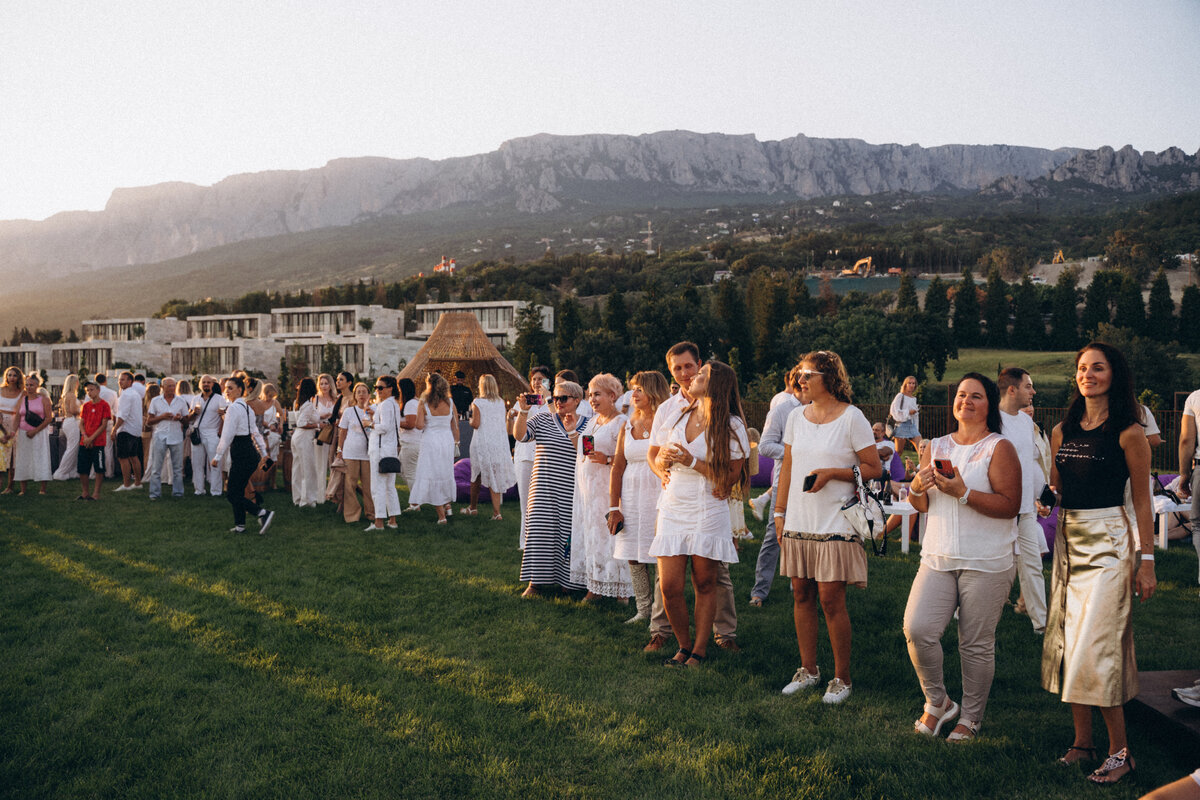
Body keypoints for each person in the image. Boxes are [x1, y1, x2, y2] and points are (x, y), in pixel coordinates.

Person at [1040, 342, 1155, 786]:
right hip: (1069, 542)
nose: (1088, 374)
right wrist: (1046, 501)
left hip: (1109, 544)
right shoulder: (1062, 430)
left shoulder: (1129, 432)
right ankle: (1082, 743)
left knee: (1099, 644)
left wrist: (1147, 561)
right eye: (1082, 368)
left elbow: (1142, 502)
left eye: (1098, 368)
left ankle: (1120, 753)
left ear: (1114, 375)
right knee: (1071, 641)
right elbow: (1056, 486)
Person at [904, 373, 1020, 741]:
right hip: (937, 556)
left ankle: (971, 717)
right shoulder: (935, 446)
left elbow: (1010, 505)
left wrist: (964, 493)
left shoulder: (999, 447)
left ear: (989, 404)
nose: (966, 401)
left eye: (976, 396)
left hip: (986, 561)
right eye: (961, 394)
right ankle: (938, 702)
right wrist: (916, 487)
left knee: (975, 643)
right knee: (917, 629)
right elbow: (922, 504)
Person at [773, 350, 882, 703]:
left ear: (829, 379)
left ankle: (842, 679)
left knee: (831, 599)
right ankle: (808, 670)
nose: (801, 380)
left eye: (808, 375)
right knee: (801, 594)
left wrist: (833, 473)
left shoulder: (852, 418)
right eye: (800, 374)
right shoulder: (795, 417)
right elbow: (788, 467)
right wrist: (779, 512)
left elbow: (874, 468)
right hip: (799, 519)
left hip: (836, 519)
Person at [651, 360, 748, 667]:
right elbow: (657, 454)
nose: (693, 376)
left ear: (716, 384)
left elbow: (730, 477)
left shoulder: (731, 425)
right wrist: (663, 462)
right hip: (674, 504)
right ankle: (683, 645)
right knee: (669, 586)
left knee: (705, 582)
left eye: (701, 374)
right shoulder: (678, 414)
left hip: (708, 505)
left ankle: (699, 650)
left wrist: (691, 461)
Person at [514, 379, 588, 596]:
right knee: (539, 532)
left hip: (571, 491)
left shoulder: (589, 423)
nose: (558, 402)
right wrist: (523, 412)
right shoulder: (542, 419)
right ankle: (535, 582)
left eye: (563, 398)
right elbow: (520, 436)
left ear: (577, 400)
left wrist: (572, 432)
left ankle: (568, 581)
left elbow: (589, 453)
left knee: (567, 534)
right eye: (555, 398)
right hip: (542, 490)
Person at [609, 370, 670, 623]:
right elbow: (617, 467)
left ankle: (661, 608)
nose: (633, 394)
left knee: (660, 554)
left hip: (659, 492)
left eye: (639, 389)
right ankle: (643, 609)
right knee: (633, 552)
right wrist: (614, 507)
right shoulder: (627, 424)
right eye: (632, 389)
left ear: (654, 392)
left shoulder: (666, 423)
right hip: (631, 494)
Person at [571, 373, 632, 602]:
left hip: (608, 490)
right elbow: (585, 452)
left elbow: (628, 458)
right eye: (590, 395)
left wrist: (607, 460)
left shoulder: (622, 422)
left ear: (612, 396)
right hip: (590, 491)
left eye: (597, 394)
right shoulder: (593, 422)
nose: (592, 399)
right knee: (594, 537)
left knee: (612, 536)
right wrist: (572, 432)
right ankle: (596, 585)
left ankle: (621, 590)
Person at [997, 367, 1047, 634]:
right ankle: (963, 612)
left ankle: (1041, 624)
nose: (1033, 391)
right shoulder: (992, 420)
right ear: (1012, 389)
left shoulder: (1027, 423)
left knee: (1033, 565)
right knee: (989, 564)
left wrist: (1041, 496)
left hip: (1027, 509)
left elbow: (1031, 465)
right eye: (1028, 386)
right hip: (999, 509)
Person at [750, 367, 804, 606]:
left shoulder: (819, 409)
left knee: (805, 534)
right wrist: (794, 453)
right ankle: (759, 591)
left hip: (813, 481)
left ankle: (798, 586)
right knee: (774, 535)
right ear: (797, 381)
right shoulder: (781, 410)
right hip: (785, 481)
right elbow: (764, 446)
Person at [211, 376, 275, 535]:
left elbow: (227, 435)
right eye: (226, 388)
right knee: (237, 491)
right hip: (249, 452)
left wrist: (217, 456)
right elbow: (255, 433)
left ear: (240, 390)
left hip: (241, 452)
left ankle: (262, 513)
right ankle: (240, 525)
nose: (227, 391)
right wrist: (263, 453)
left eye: (230, 388)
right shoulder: (246, 408)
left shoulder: (234, 408)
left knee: (232, 493)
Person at [408, 372, 459, 523]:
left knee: (433, 474)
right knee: (444, 472)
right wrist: (456, 443)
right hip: (447, 441)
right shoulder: (450, 402)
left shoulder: (423, 403)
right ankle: (447, 505)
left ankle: (441, 516)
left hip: (430, 441)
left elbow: (419, 425)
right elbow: (455, 426)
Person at [510, 365, 552, 546]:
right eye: (534, 379)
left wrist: (548, 398)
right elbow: (513, 431)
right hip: (525, 455)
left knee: (545, 502)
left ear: (548, 381)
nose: (536, 382)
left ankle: (544, 540)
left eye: (540, 379)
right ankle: (525, 542)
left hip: (546, 457)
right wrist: (513, 415)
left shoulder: (553, 402)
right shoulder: (524, 401)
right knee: (526, 501)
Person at [467, 374, 516, 520]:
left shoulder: (478, 402)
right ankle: (496, 512)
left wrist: (470, 420)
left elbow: (476, 424)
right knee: (496, 473)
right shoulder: (500, 402)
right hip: (497, 442)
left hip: (481, 442)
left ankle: (473, 507)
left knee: (476, 474)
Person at [366, 375, 403, 530]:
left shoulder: (386, 404)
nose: (378, 390)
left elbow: (385, 427)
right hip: (390, 448)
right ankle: (392, 520)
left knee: (378, 486)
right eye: (376, 388)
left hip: (381, 449)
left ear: (390, 389)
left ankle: (379, 521)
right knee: (389, 486)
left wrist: (370, 424)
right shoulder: (393, 404)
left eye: (380, 388)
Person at [336, 381, 376, 524]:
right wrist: (339, 451)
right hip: (350, 452)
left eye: (364, 392)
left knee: (369, 485)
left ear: (369, 394)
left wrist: (373, 416)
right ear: (355, 395)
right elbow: (342, 432)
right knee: (350, 484)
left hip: (368, 453)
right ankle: (352, 515)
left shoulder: (374, 410)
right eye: (358, 392)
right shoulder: (349, 411)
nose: (361, 395)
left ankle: (371, 513)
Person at [145, 376, 189, 499]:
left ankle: (178, 493)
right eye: (169, 386)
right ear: (163, 387)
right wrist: (162, 417)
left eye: (173, 386)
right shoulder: (155, 401)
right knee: (156, 467)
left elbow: (186, 421)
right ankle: (154, 494)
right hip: (160, 436)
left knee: (177, 468)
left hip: (176, 436)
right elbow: (149, 421)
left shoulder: (181, 401)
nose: (172, 388)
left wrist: (180, 418)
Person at [13, 371, 53, 495]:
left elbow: (49, 418)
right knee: (23, 458)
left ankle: (43, 488)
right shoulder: (22, 399)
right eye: (27, 385)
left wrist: (35, 431)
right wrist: (13, 432)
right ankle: (23, 489)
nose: (29, 387)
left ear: (37, 386)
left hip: (39, 432)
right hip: (23, 433)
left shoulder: (44, 399)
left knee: (41, 457)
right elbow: (17, 417)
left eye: (31, 385)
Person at [188, 374, 226, 497]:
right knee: (197, 463)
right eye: (203, 382)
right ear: (200, 384)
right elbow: (189, 418)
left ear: (212, 384)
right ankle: (199, 489)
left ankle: (216, 491)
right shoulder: (195, 399)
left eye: (208, 382)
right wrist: (194, 413)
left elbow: (224, 417)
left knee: (214, 463)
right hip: (198, 433)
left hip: (212, 433)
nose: (206, 384)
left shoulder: (219, 398)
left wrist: (220, 431)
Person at [290, 377, 322, 507]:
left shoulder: (297, 402)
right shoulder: (308, 405)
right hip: (304, 437)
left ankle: (297, 497)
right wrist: (318, 425)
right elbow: (302, 423)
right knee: (308, 468)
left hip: (297, 436)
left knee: (297, 468)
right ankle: (308, 500)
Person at [76, 380, 111, 500]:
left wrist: (91, 438)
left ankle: (96, 493)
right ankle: (85, 492)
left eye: (92, 390)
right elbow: (81, 423)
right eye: (87, 391)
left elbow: (103, 425)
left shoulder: (104, 405)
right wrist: (85, 436)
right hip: (85, 441)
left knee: (99, 468)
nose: (89, 392)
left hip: (98, 442)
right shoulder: (86, 406)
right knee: (82, 468)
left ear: (98, 390)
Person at [111, 371, 143, 491]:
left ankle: (126, 484)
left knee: (123, 458)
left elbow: (122, 415)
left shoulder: (126, 395)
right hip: (135, 430)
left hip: (126, 429)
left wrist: (114, 429)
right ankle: (138, 483)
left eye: (123, 379)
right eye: (119, 379)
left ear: (130, 381)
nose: (120, 382)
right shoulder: (135, 394)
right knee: (133, 457)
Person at [52, 374, 82, 481]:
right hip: (72, 421)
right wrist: (82, 409)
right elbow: (73, 410)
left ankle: (71, 471)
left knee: (72, 448)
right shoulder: (72, 395)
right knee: (72, 448)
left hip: (68, 422)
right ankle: (61, 472)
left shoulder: (66, 395)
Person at [396, 377, 421, 504]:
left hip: (411, 443)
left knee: (410, 473)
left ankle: (415, 503)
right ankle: (418, 495)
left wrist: (395, 422)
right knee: (401, 469)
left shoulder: (411, 404)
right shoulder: (414, 402)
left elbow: (411, 424)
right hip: (411, 443)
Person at [1, 366, 26, 493]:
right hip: (0, 422)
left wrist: (12, 430)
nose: (12, 378)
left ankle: (10, 486)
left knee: (13, 456)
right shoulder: (0, 390)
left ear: (19, 378)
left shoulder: (22, 393)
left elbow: (20, 411)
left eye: (15, 375)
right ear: (6, 376)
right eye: (9, 375)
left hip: (14, 423)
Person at [891, 375, 921, 455]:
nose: (911, 385)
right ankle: (892, 463)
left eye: (913, 383)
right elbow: (894, 410)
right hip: (901, 425)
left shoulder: (914, 398)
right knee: (898, 452)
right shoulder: (900, 396)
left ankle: (922, 463)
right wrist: (908, 412)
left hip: (912, 425)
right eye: (909, 383)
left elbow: (915, 416)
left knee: (921, 448)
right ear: (905, 385)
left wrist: (916, 427)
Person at [95, 373, 119, 478]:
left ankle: (96, 472)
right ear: (105, 381)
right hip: (108, 422)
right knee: (108, 448)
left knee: (96, 448)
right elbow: (116, 411)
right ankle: (109, 472)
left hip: (95, 423)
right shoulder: (113, 393)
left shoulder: (92, 392)